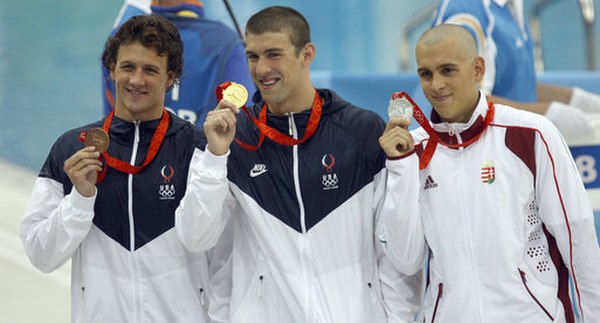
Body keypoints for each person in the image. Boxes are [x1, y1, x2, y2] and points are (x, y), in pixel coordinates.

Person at [175, 6, 422, 322]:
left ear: (307, 55)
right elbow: (196, 238)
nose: (261, 69)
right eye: (253, 56)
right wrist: (214, 157)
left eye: (273, 54)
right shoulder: (233, 140)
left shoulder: (362, 131)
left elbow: (393, 253)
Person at [379, 23, 600, 322]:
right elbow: (405, 262)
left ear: (478, 70)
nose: (436, 85)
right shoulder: (413, 151)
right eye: (426, 74)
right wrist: (400, 167)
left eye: (447, 70)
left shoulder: (531, 134)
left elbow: (578, 242)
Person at [21, 15, 211, 322]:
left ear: (170, 77)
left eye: (150, 70)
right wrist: (80, 200)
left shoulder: (197, 148)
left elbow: (220, 252)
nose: (136, 80)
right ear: (112, 70)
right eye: (127, 67)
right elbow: (41, 255)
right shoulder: (72, 148)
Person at [432, 0, 600, 142]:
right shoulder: (466, 13)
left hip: (518, 149)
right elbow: (464, 104)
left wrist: (579, 100)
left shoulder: (509, 7)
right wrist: (549, 115)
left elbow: (513, 84)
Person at [102, 0, 255, 125]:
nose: (137, 79)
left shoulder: (120, 39)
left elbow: (110, 125)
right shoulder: (229, 44)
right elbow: (244, 125)